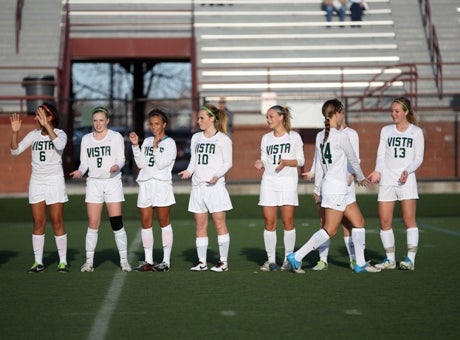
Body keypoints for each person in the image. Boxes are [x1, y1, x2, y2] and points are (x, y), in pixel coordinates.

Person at [287, 99, 380, 274]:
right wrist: (361, 178)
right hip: (337, 189)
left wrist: (317, 189)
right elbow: (353, 159)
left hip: (335, 188)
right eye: (342, 112)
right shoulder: (341, 136)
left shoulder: (320, 135)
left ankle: (360, 263)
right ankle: (297, 256)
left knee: (359, 222)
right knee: (330, 229)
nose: (343, 115)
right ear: (336, 113)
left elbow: (320, 166)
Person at [70, 106, 132, 272]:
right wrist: (80, 171)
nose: (98, 124)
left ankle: (124, 260)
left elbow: (122, 159)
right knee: (93, 223)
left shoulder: (115, 137)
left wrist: (115, 166)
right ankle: (89, 262)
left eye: (101, 120)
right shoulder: (86, 139)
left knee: (116, 222)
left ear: (107, 121)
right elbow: (84, 163)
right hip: (94, 183)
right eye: (95, 120)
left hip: (112, 182)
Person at [10, 103, 69, 273]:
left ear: (51, 117)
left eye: (42, 115)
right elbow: (15, 151)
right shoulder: (33, 135)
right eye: (37, 115)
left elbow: (59, 146)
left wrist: (48, 126)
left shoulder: (60, 133)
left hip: (55, 181)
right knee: (38, 222)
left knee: (57, 221)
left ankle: (63, 262)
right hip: (36, 181)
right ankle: (38, 262)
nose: (38, 118)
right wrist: (14, 133)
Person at [368, 97, 424, 271]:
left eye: (397, 111)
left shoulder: (416, 132)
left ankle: (410, 259)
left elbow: (418, 158)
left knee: (409, 219)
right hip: (387, 180)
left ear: (406, 112)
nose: (393, 114)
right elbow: (381, 155)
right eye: (392, 111)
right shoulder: (386, 131)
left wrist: (407, 171)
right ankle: (390, 259)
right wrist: (377, 171)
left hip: (407, 181)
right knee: (384, 221)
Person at [179, 104, 232, 272]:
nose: (198, 121)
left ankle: (223, 262)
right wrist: (188, 171)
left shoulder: (223, 139)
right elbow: (194, 160)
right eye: (198, 117)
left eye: (202, 118)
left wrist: (217, 175)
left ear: (212, 119)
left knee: (219, 223)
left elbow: (228, 162)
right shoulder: (196, 138)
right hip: (198, 188)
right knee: (200, 225)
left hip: (215, 187)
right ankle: (202, 262)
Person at [303, 115, 359, 271]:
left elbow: (355, 159)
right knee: (325, 223)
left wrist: (353, 175)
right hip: (329, 186)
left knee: (349, 224)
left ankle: (355, 260)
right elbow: (318, 159)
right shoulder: (322, 134)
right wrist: (313, 175)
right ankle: (322, 260)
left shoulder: (351, 134)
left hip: (344, 187)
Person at [254, 105, 305, 272]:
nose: (268, 120)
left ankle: (288, 259)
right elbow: (264, 159)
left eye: (271, 116)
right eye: (267, 117)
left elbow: (301, 161)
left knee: (288, 222)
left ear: (281, 117)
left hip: (288, 182)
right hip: (269, 182)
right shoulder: (266, 138)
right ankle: (271, 261)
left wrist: (286, 163)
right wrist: (260, 163)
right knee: (269, 222)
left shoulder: (294, 137)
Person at [129, 109, 176, 272]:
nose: (154, 127)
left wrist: (156, 147)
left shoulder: (170, 143)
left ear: (164, 124)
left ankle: (165, 261)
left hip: (161, 185)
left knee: (164, 222)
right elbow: (141, 164)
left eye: (157, 123)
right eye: (151, 124)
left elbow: (162, 164)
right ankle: (148, 261)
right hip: (146, 184)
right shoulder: (148, 141)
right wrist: (136, 146)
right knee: (145, 223)